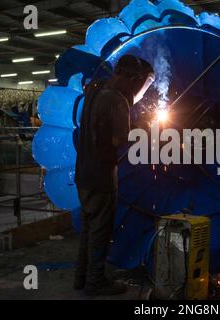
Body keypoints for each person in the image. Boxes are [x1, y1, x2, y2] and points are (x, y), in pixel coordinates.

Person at [74, 55, 155, 296]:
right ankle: (95, 282)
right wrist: (141, 128)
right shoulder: (117, 99)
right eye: (145, 83)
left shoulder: (95, 90)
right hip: (101, 176)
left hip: (83, 172)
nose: (143, 89)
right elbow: (119, 139)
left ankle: (82, 277)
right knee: (100, 230)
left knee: (89, 227)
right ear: (132, 79)